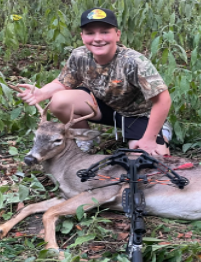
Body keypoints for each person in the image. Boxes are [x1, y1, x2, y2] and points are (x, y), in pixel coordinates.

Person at [17, 7, 172, 155]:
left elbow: (163, 100)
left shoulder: (134, 61)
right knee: (58, 100)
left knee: (146, 159)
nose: (97, 39)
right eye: (90, 33)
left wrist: (149, 139)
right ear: (82, 36)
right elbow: (63, 83)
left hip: (137, 115)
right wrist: (42, 93)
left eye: (105, 32)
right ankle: (85, 138)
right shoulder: (80, 55)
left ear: (117, 35)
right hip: (103, 107)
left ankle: (161, 130)